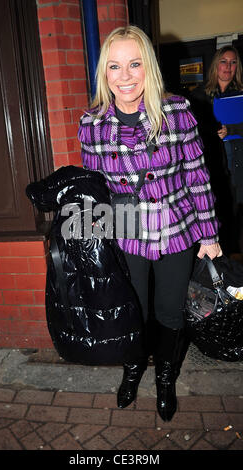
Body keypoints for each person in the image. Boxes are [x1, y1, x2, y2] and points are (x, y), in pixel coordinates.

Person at [78, 25, 222, 422]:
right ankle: (132, 367)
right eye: (114, 67)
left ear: (149, 68)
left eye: (135, 64)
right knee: (133, 311)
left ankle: (164, 377)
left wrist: (209, 235)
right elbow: (95, 190)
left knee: (170, 312)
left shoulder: (176, 112)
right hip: (125, 231)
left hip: (175, 227)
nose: (125, 76)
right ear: (103, 74)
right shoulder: (90, 124)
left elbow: (197, 175)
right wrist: (95, 236)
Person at [190, 46, 243, 253]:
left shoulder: (241, 93)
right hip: (212, 160)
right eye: (223, 61)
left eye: (233, 62)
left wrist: (232, 129)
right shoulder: (198, 95)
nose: (228, 67)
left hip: (239, 156)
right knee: (217, 207)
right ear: (215, 65)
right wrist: (213, 131)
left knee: (238, 209)